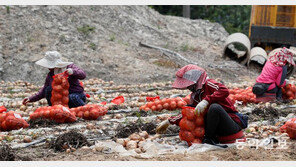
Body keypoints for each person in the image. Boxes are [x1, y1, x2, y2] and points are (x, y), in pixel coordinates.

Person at [156, 64, 247, 145]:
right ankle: (210, 138)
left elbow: (224, 90)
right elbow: (189, 114)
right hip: (218, 132)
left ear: (196, 80)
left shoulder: (209, 84)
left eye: (189, 85)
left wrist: (206, 101)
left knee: (214, 108)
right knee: (198, 115)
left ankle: (209, 138)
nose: (188, 88)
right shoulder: (195, 96)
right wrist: (169, 121)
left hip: (231, 125)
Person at [22, 51, 87, 108]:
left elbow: (83, 75)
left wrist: (73, 72)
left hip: (76, 95)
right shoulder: (50, 74)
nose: (48, 67)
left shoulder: (69, 67)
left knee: (72, 98)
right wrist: (31, 98)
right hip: (60, 99)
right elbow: (44, 90)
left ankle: (83, 108)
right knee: (48, 89)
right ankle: (56, 109)